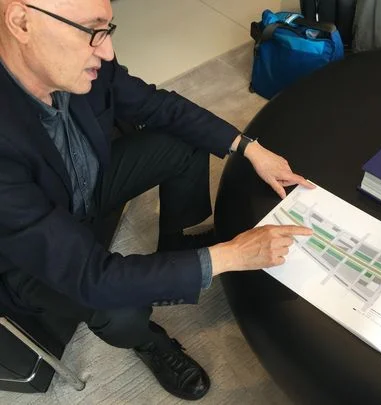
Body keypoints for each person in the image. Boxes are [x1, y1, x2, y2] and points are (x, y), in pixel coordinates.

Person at [0, 0, 315, 400]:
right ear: (21, 22)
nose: (108, 51)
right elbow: (93, 278)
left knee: (185, 141)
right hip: (28, 257)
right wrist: (232, 255)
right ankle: (150, 342)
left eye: (108, 29)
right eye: (92, 30)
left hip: (82, 186)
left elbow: (160, 105)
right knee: (119, 306)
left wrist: (249, 148)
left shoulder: (84, 61)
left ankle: (175, 247)